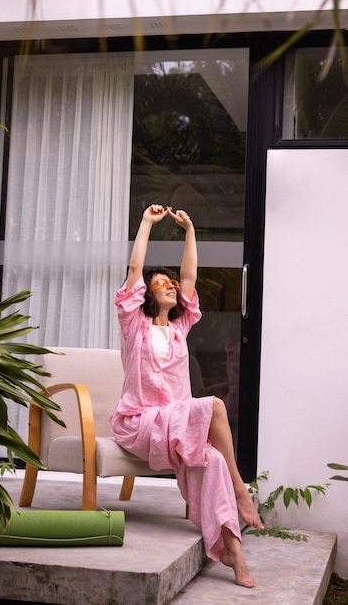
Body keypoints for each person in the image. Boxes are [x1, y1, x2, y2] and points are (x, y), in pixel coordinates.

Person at [110, 204, 263, 588]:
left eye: (172, 284)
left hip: (176, 424)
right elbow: (133, 272)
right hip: (141, 423)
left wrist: (190, 230)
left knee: (211, 461)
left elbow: (191, 275)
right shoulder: (134, 326)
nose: (172, 286)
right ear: (147, 293)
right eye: (163, 283)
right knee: (213, 405)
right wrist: (146, 223)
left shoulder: (180, 328)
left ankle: (233, 551)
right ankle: (242, 489)